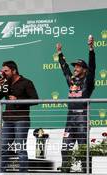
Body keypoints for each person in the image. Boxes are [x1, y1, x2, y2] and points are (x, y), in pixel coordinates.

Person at [56, 35, 96, 173]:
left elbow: (93, 67)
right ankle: (65, 170)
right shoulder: (72, 81)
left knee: (83, 150)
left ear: (85, 70)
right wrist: (60, 54)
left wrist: (91, 49)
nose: (75, 68)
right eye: (75, 66)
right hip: (70, 119)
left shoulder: (88, 82)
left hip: (82, 118)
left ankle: (86, 172)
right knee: (65, 148)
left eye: (79, 66)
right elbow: (65, 69)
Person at [0, 60, 39, 172]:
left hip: (21, 120)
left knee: (20, 149)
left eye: (6, 71)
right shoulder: (5, 83)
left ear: (14, 71)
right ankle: (1, 173)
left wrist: (18, 100)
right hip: (8, 120)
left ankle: (23, 173)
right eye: (2, 71)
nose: (3, 73)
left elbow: (35, 100)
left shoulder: (27, 82)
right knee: (3, 148)